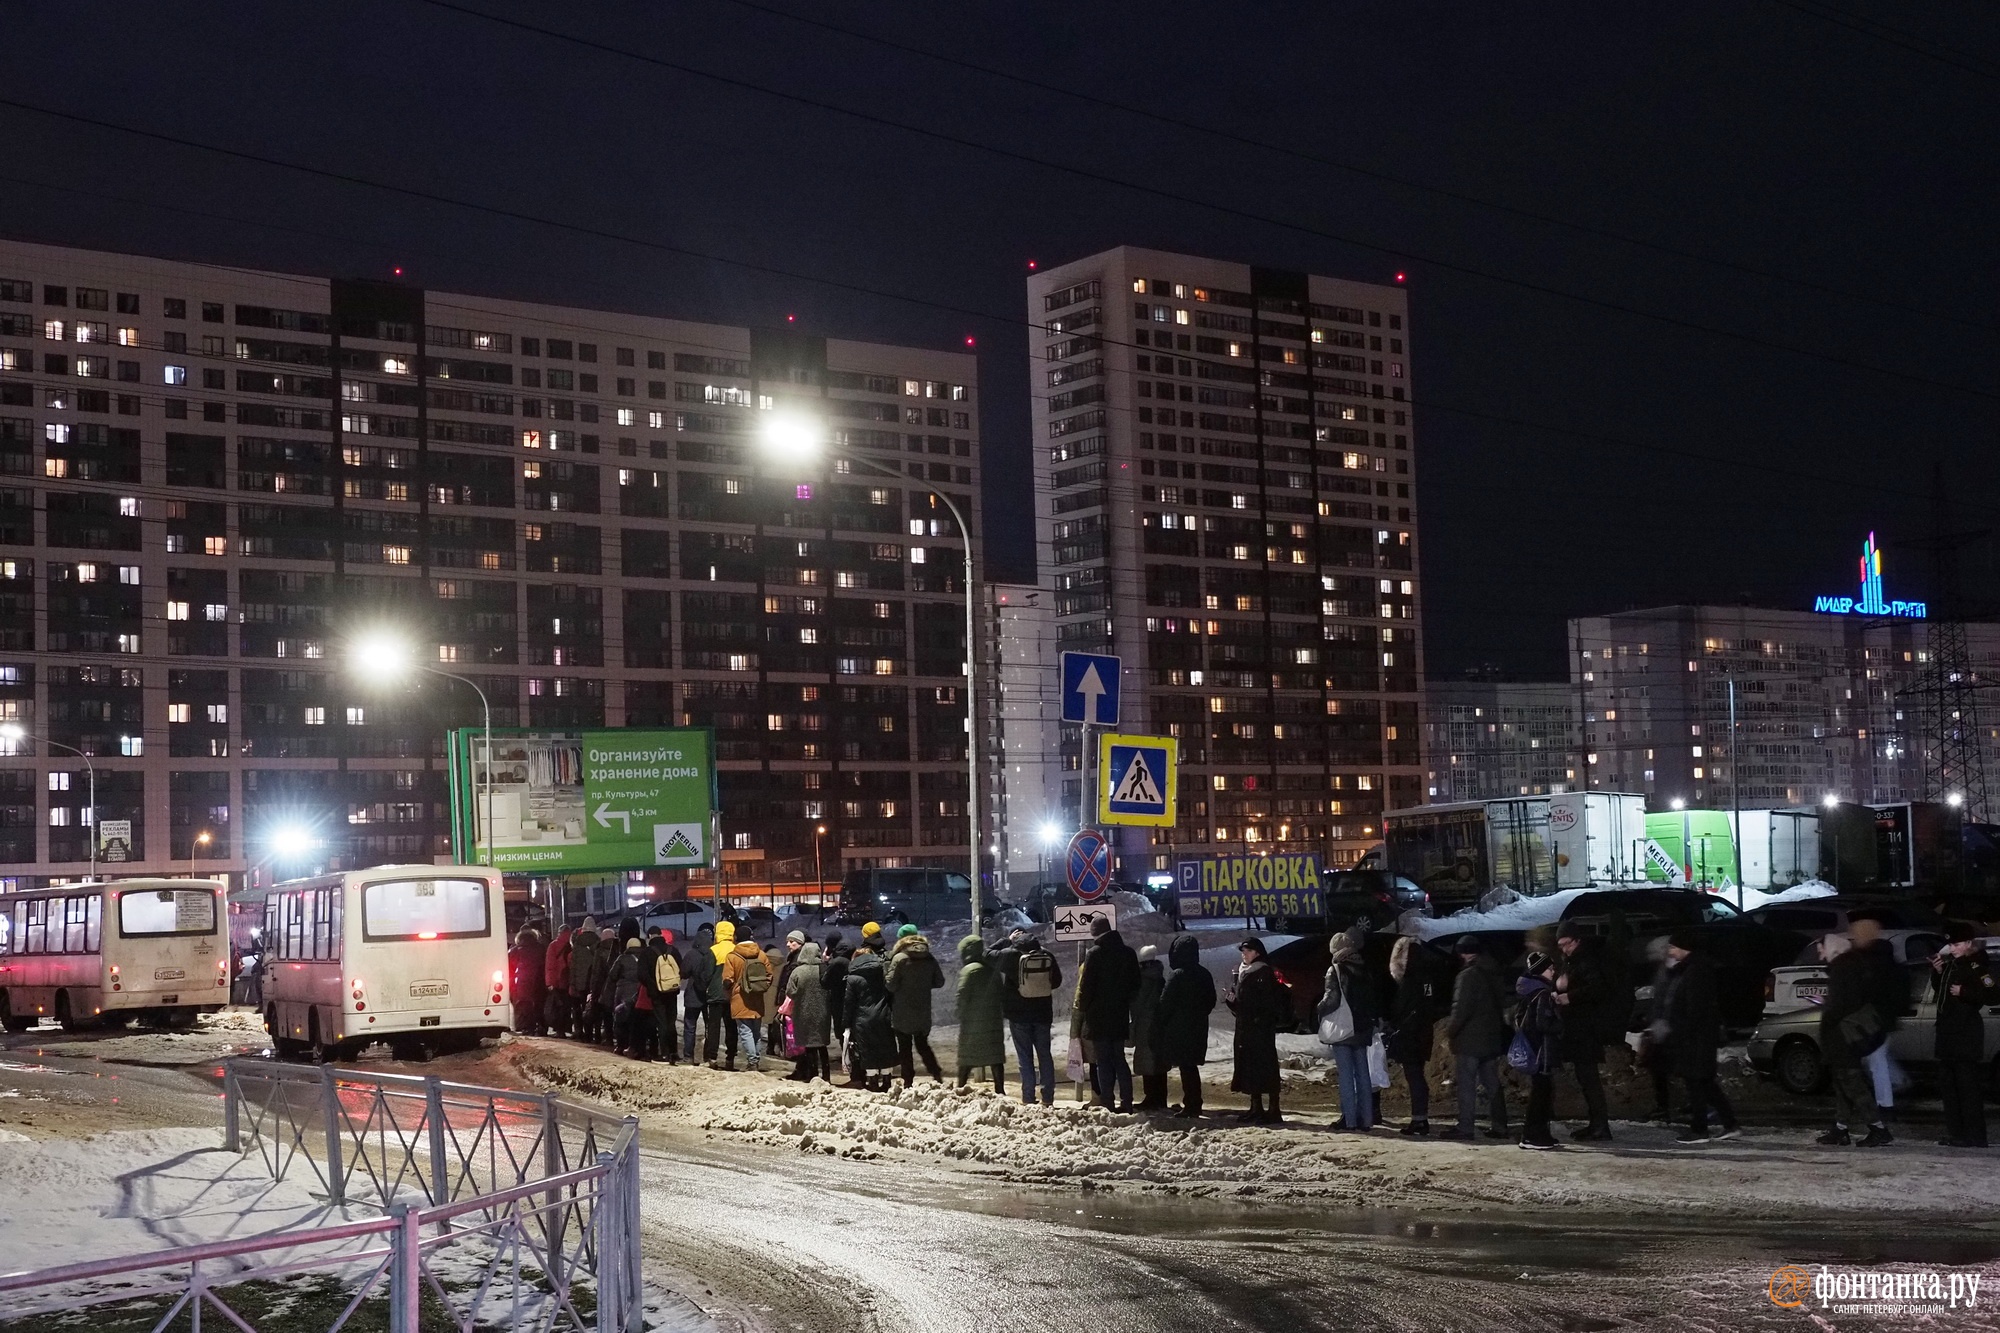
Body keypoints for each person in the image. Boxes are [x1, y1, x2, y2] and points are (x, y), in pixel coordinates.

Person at [1658, 932, 1740, 1145]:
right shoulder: (1688, 969)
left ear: (1685, 947)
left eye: (1673, 947)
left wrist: (1682, 1031)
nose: (1670, 951)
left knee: (1696, 1082)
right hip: (1695, 1036)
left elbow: (1695, 1009)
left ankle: (1700, 1129)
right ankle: (1730, 1124)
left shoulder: (1696, 971)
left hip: (1696, 1038)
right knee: (1704, 1083)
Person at [1815, 923, 1893, 1147]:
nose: (1820, 954)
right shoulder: (1852, 966)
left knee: (1852, 1084)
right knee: (1843, 1085)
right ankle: (1841, 1129)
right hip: (1849, 1036)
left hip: (1842, 1037)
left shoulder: (1842, 969)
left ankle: (1878, 1129)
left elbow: (1840, 1006)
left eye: (1821, 948)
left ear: (1831, 948)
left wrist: (1827, 1009)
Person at [1440, 935, 1509, 1141]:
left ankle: (1466, 1127)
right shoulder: (1493, 971)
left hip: (1470, 1039)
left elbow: (1460, 1009)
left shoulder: (1467, 976)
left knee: (1467, 1083)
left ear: (1463, 953)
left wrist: (1450, 1032)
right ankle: (1500, 1125)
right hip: (1491, 1037)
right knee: (1492, 1082)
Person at [1932, 923, 1995, 1148]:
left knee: (1968, 1090)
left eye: (1956, 944)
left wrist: (1965, 992)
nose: (1952, 948)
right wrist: (1937, 973)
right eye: (1950, 944)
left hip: (1965, 1035)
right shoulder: (1952, 965)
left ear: (1968, 943)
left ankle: (1975, 1136)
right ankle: (1957, 1134)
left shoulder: (1977, 965)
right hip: (1948, 1034)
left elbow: (1993, 993)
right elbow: (1941, 994)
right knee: (1950, 1089)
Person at [1553, 921, 1614, 1141]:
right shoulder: (1571, 960)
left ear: (1577, 940)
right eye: (1560, 945)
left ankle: (1600, 1126)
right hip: (1578, 1029)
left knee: (1589, 1079)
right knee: (1585, 1077)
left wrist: (1570, 996)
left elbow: (1598, 988)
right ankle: (1596, 1124)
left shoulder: (1586, 959)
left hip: (1585, 1030)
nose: (1563, 949)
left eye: (1566, 944)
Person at [1078, 916, 1142, 1110]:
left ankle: (1107, 1100)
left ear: (1095, 933)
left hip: (1098, 1016)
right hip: (1119, 1015)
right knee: (1119, 1058)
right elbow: (1135, 984)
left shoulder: (1095, 954)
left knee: (1103, 1060)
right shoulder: (1128, 953)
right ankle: (1127, 1101)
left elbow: (1086, 986)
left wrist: (1083, 1006)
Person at [992, 927, 1061, 1106]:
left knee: (1025, 1057)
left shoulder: (1011, 955)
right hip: (1043, 1014)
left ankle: (1028, 1097)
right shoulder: (1047, 955)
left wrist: (1006, 940)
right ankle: (1048, 1098)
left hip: (1019, 1015)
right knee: (1045, 1056)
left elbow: (986, 954)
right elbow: (1057, 981)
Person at [1152, 932, 1216, 1118]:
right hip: (1198, 1028)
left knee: (1186, 1067)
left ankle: (1192, 1104)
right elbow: (1210, 1000)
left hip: (1179, 1030)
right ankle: (1194, 1102)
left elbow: (1165, 1004)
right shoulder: (1204, 974)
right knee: (1190, 1067)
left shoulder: (1177, 975)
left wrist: (1161, 1022)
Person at [1386, 935, 1445, 1136]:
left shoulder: (1410, 981)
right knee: (1418, 1077)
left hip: (1410, 1036)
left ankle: (1419, 1120)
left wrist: (1394, 1024)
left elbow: (1399, 1009)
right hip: (1423, 1034)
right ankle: (1421, 1118)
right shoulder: (1428, 978)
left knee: (1414, 1078)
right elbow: (1430, 1007)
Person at [1322, 927, 1377, 1131]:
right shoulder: (1364, 966)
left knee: (1345, 1074)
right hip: (1362, 1027)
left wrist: (1320, 1010)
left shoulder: (1336, 970)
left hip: (1344, 1029)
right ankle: (1367, 1120)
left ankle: (1350, 1120)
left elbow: (1331, 1000)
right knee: (1363, 1073)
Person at [1227, 938, 1288, 1124]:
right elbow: (1244, 1003)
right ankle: (1257, 1107)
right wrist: (1233, 1000)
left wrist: (1240, 1004)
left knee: (1263, 1067)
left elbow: (1261, 1002)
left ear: (1257, 953)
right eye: (1242, 951)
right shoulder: (1246, 971)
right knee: (1253, 1067)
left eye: (1247, 951)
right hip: (1250, 1027)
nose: (1243, 954)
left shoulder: (1261, 971)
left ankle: (1270, 1109)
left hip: (1258, 1028)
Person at [883, 924, 945, 1087]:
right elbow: (939, 981)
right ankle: (936, 1073)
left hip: (902, 1010)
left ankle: (908, 1080)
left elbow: (890, 985)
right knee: (922, 1044)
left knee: (904, 1047)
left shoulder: (899, 958)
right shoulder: (928, 957)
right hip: (922, 1010)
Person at [1515, 950, 1564, 1150]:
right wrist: (1561, 1024)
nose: (1553, 972)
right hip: (1541, 1051)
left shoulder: (1530, 992)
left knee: (1542, 1092)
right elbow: (1543, 1024)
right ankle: (1532, 1136)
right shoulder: (1542, 994)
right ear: (1541, 970)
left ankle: (1541, 1133)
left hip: (1534, 1050)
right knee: (1541, 1094)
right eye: (1550, 968)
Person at [843, 933, 898, 1090]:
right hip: (883, 1015)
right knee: (885, 1046)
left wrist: (846, 1023)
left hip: (862, 1019)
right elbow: (890, 993)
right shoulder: (882, 973)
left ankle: (872, 1081)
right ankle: (887, 1080)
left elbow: (849, 1003)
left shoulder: (853, 978)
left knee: (868, 1050)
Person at [955, 934, 1007, 1093]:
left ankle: (960, 1090)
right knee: (995, 1057)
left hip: (972, 1023)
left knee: (966, 1058)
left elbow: (962, 995)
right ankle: (1000, 1089)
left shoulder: (969, 971)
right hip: (993, 1022)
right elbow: (1001, 993)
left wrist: (960, 1013)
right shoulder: (993, 969)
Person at [723, 926, 778, 1071]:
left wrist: (729, 990)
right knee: (756, 1031)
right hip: (757, 997)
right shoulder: (761, 955)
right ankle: (756, 1060)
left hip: (740, 997)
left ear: (736, 938)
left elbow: (727, 979)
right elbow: (769, 976)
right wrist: (761, 988)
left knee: (745, 1030)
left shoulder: (732, 956)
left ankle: (752, 1061)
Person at [1634, 936, 1675, 1122]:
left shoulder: (1669, 971)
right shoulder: (1665, 970)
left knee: (1663, 1070)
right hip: (1663, 1028)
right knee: (1660, 1071)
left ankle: (1665, 1106)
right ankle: (1664, 1106)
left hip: (1667, 1030)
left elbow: (1665, 1001)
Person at [783, 942, 832, 1081]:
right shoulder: (824, 969)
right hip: (823, 1012)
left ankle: (812, 1074)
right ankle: (826, 1076)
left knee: (809, 1044)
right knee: (822, 1044)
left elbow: (790, 992)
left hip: (803, 1011)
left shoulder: (798, 971)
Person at [1130, 944, 1168, 1111]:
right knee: (1158, 1060)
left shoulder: (1142, 979)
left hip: (1144, 1023)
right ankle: (1160, 1097)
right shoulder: (1160, 977)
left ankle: (1151, 1097)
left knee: (1147, 1060)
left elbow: (1136, 1003)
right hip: (1158, 1023)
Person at [602, 934, 649, 1057]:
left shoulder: (622, 958)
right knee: (635, 1021)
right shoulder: (645, 958)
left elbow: (612, 975)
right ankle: (634, 1046)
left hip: (622, 993)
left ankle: (621, 1045)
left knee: (620, 1019)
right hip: (639, 993)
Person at [704, 921, 742, 1068]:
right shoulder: (736, 949)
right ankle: (730, 1057)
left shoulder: (713, 950)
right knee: (731, 1027)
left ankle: (712, 1057)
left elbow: (707, 974)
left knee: (714, 1026)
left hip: (715, 993)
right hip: (732, 994)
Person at [567, 919, 606, 1045]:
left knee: (583, 1009)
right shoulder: (598, 943)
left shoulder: (577, 944)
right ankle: (597, 1035)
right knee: (595, 1009)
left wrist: (573, 983)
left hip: (580, 983)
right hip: (593, 983)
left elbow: (573, 967)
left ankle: (586, 1034)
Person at [683, 923, 717, 1063]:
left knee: (690, 1026)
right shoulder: (712, 954)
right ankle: (708, 1057)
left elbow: (683, 973)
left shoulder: (691, 954)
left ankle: (688, 1056)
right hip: (709, 995)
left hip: (693, 994)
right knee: (710, 1027)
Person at [647, 928, 682, 1064]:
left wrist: (653, 986)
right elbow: (681, 968)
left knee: (661, 1023)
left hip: (657, 994)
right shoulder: (673, 950)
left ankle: (664, 1054)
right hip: (672, 992)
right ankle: (674, 1053)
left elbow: (642, 974)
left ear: (650, 936)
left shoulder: (648, 952)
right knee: (671, 1022)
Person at [821, 933, 852, 1075]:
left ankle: (850, 1065)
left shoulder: (836, 963)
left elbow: (825, 983)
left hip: (839, 1002)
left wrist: (826, 963)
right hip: (853, 1001)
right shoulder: (852, 955)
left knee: (843, 1034)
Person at [772, 930, 806, 1056]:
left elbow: (791, 982)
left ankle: (794, 1051)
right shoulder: (793, 957)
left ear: (800, 943)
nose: (788, 944)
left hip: (791, 999)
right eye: (787, 941)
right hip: (787, 998)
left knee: (789, 1026)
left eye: (792, 942)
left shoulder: (797, 960)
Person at [509, 926, 546, 1037]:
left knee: (523, 1005)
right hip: (539, 981)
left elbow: (509, 968)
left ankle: (526, 1028)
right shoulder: (541, 948)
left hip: (521, 983)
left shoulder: (514, 951)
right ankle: (541, 1026)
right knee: (539, 1004)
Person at [543, 924, 574, 1038]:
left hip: (558, 980)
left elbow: (550, 965)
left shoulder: (554, 945)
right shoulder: (572, 945)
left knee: (558, 1007)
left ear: (559, 933)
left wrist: (550, 983)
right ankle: (567, 1028)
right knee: (567, 1006)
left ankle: (560, 1030)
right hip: (569, 981)